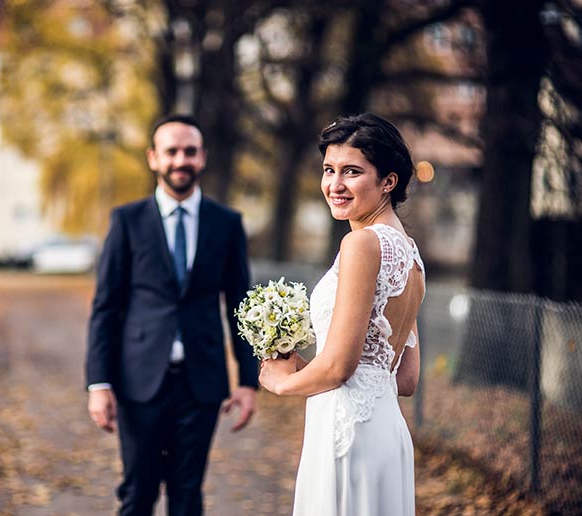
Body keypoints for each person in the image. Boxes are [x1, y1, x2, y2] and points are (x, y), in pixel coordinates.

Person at [85, 114, 258, 516]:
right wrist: (98, 382)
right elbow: (106, 307)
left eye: (190, 152)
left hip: (202, 384)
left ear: (203, 158)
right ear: (153, 158)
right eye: (172, 151)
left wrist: (248, 382)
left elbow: (240, 305)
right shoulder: (127, 221)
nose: (181, 160)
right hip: (138, 383)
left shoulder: (227, 223)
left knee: (187, 497)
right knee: (137, 494)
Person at [259, 113, 425, 516]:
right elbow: (404, 377)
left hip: (347, 432)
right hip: (385, 430)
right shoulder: (412, 257)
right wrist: (312, 365)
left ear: (389, 181)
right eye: (329, 170)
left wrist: (284, 382)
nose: (334, 185)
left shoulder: (362, 245)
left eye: (352, 172)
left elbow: (340, 368)